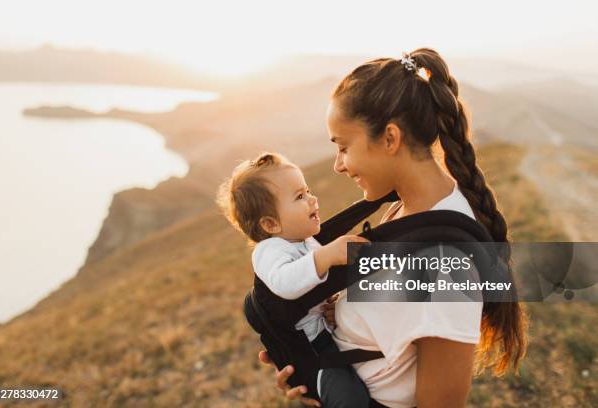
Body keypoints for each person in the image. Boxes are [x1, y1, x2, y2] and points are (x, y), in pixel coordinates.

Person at [258, 48, 527, 408]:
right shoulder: (409, 210)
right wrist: (317, 374)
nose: (338, 165)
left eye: (343, 147)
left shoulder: (443, 264)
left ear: (389, 138)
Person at [216, 152, 372, 407]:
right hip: (317, 353)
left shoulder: (304, 240)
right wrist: (327, 256)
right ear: (270, 224)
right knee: (349, 398)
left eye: (308, 190)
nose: (313, 199)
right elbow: (285, 283)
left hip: (329, 336)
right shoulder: (269, 250)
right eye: (300, 196)